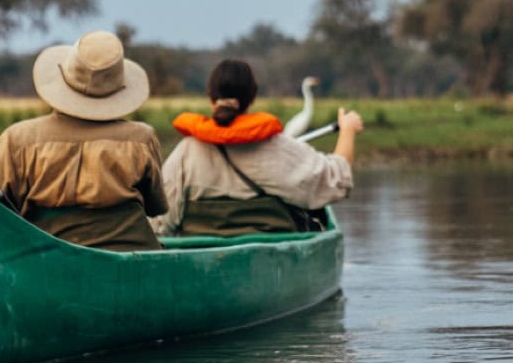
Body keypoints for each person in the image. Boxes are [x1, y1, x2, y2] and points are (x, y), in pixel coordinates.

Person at [0, 30, 167, 251]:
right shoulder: (142, 139)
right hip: (133, 262)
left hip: (47, 261)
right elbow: (156, 207)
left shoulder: (18, 140)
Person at [155, 59, 362, 237]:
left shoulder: (185, 153)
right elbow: (338, 180)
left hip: (202, 262)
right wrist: (348, 130)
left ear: (211, 98)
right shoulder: (279, 147)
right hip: (274, 262)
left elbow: (160, 223)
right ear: (252, 98)